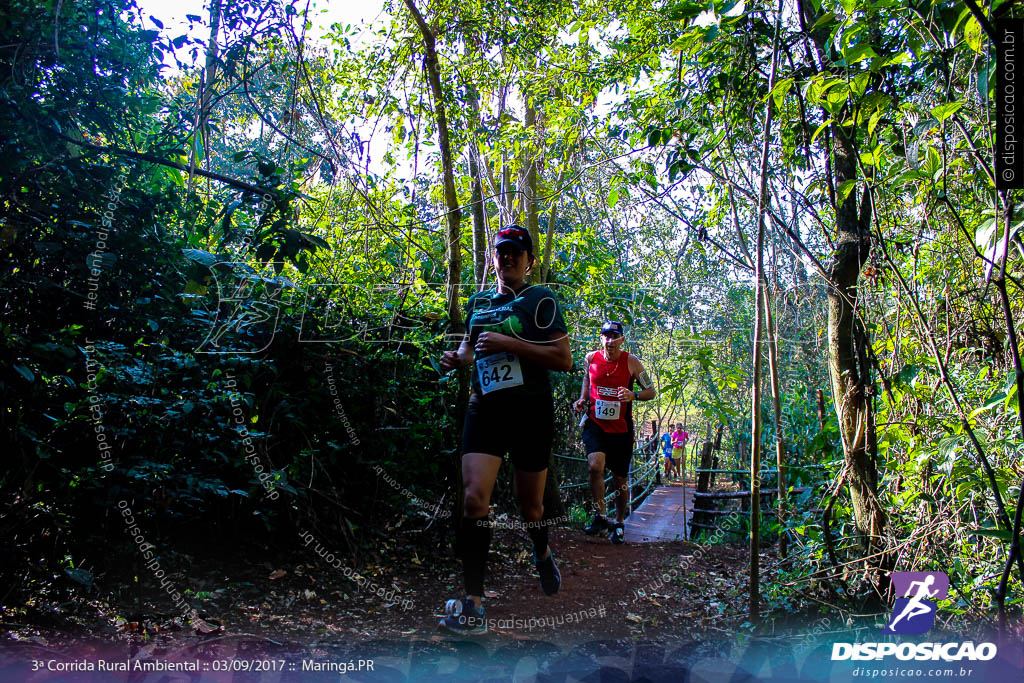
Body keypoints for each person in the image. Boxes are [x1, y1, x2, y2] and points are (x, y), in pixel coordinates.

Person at [437, 225, 571, 635]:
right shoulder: (478, 301)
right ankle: (473, 604)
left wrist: (509, 344)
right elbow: (469, 348)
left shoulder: (541, 299)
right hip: (486, 408)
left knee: (530, 508)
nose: (507, 257)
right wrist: (455, 359)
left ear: (530, 259)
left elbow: (564, 359)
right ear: (492, 258)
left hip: (530, 412)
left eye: (516, 251)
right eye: (501, 252)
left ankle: (542, 551)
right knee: (474, 499)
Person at [573, 321, 656, 544]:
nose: (610, 341)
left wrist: (634, 395)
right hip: (595, 424)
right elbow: (587, 379)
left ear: (622, 340)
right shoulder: (591, 358)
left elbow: (651, 391)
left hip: (621, 429)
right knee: (595, 466)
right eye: (606, 336)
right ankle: (601, 516)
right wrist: (583, 398)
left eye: (614, 337)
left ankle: (619, 523)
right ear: (601, 338)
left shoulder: (631, 362)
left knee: (620, 480)